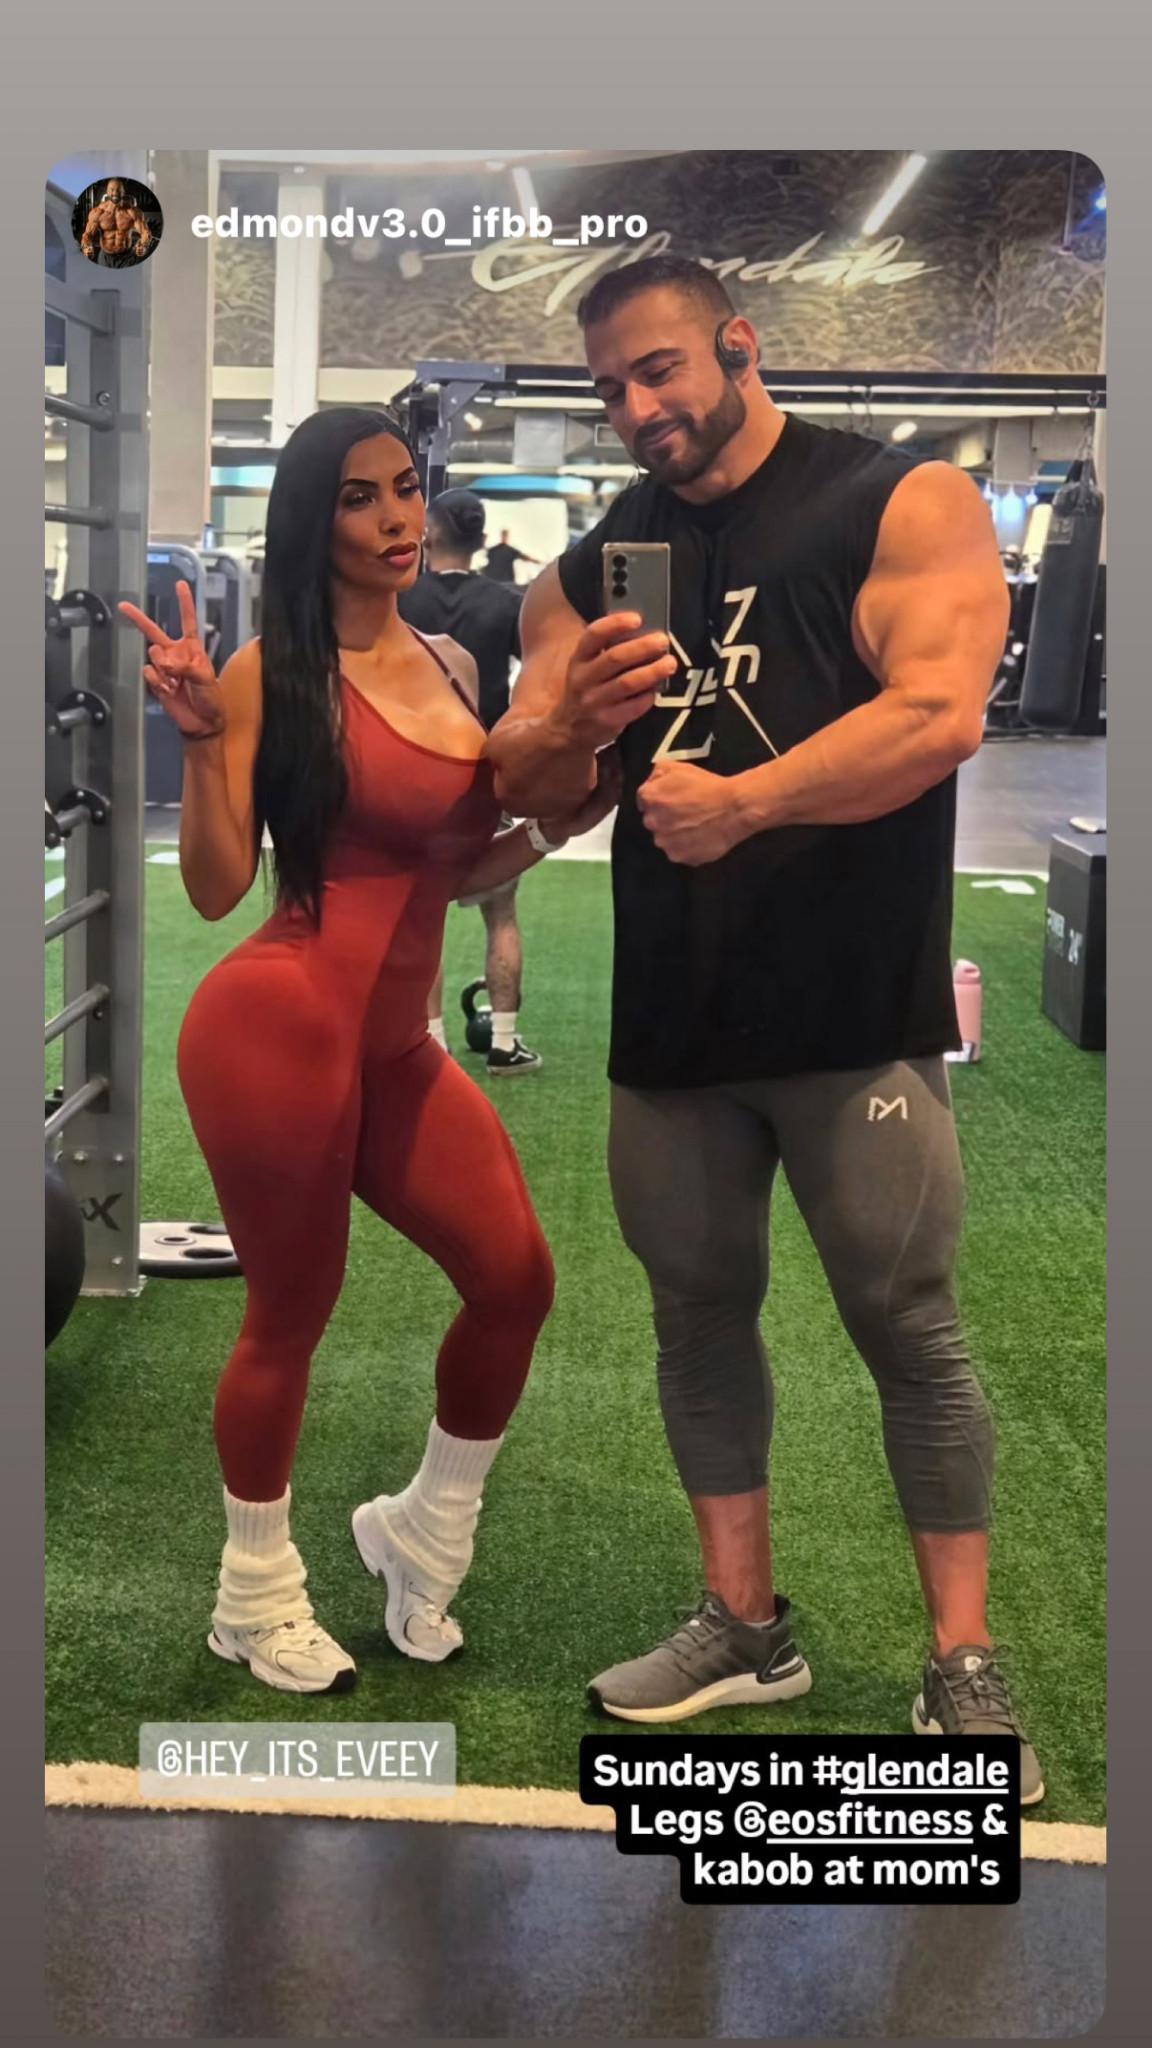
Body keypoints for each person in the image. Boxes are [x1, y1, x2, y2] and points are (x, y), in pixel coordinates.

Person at [486, 255, 1043, 1802]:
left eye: (658, 369)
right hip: (677, 1023)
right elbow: (529, 780)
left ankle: (962, 1662)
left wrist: (744, 804)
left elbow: (937, 715)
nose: (635, 408)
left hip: (851, 1012)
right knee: (696, 1317)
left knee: (908, 1326)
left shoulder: (896, 500)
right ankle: (744, 1625)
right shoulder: (603, 565)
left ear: (738, 345)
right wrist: (568, 724)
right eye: (608, 388)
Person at [119, 406, 612, 1697]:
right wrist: (201, 743)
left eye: (404, 488)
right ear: (312, 520)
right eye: (359, 497)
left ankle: (423, 1529)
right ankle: (251, 1597)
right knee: (291, 1312)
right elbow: (216, 889)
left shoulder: (449, 661)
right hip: (277, 1026)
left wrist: (565, 822)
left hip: (394, 1046)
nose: (396, 517)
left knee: (515, 1278)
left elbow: (454, 872)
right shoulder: (266, 671)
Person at [399, 489, 541, 1074]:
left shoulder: (400, 599)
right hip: (487, 771)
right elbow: (537, 675)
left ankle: (432, 1044)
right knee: (501, 912)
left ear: (428, 535)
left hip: (417, 770)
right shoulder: (507, 602)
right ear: (482, 541)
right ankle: (505, 1043)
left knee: (423, 910)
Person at [79, 178, 154, 268]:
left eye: (118, 190)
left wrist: (144, 246)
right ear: (107, 192)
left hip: (127, 257)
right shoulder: (98, 213)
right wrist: (86, 247)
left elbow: (145, 232)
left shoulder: (133, 212)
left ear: (123, 192)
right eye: (112, 189)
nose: (115, 192)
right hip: (105, 257)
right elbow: (88, 234)